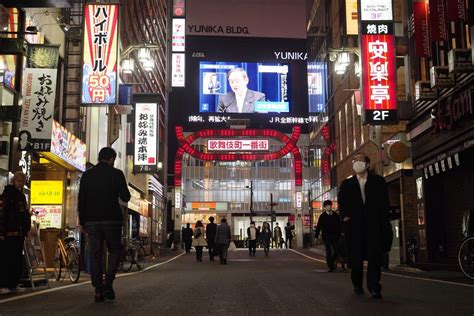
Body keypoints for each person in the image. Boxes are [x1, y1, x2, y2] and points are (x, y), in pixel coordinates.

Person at [78, 147, 131, 303]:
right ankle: (108, 282)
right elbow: (126, 197)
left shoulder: (87, 175)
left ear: (99, 157)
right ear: (112, 159)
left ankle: (98, 290)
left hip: (92, 221)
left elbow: (82, 199)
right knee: (115, 250)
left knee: (96, 254)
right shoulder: (116, 174)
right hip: (112, 220)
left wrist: (82, 221)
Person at [338, 152, 393, 299]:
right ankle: (357, 285)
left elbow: (384, 204)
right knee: (355, 259)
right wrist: (344, 218)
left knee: (374, 258)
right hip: (354, 227)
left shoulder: (378, 181)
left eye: (360, 160)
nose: (357, 162)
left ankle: (374, 287)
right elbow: (342, 204)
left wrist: (384, 223)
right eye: (355, 160)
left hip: (373, 226)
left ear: (367, 164)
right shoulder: (347, 184)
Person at [0, 171, 30, 294]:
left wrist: (26, 229)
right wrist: (1, 232)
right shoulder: (7, 195)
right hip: (8, 233)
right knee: (6, 259)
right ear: (13, 181)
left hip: (19, 233)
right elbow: (2, 215)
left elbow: (25, 214)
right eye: (18, 181)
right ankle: (3, 284)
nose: (21, 184)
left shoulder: (21, 196)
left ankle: (14, 283)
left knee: (16, 260)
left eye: (22, 182)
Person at [315, 200, 341, 272]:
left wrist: (340, 233)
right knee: (328, 251)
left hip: (335, 236)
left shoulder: (335, 215)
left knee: (336, 250)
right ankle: (330, 266)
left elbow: (339, 225)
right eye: (327, 206)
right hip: (326, 237)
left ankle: (331, 261)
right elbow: (318, 227)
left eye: (329, 205)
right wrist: (316, 237)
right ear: (324, 207)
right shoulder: (322, 216)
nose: (329, 206)